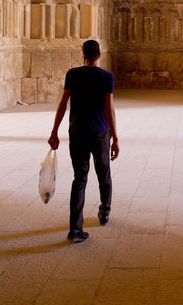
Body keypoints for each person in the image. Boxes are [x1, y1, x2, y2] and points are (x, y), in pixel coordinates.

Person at [48, 39, 119, 243]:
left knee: (80, 178)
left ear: (83, 54)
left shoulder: (73, 74)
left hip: (77, 132)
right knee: (103, 173)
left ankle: (75, 229)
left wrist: (54, 132)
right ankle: (104, 212)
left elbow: (63, 105)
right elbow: (109, 109)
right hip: (99, 133)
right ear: (99, 54)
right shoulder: (107, 77)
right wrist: (115, 137)